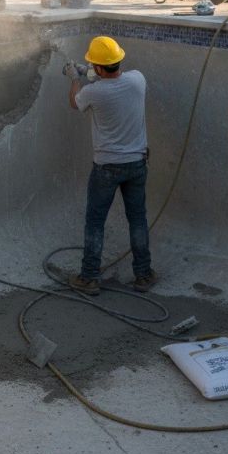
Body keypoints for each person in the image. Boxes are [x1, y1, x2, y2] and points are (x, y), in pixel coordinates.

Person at [64, 35, 156, 295]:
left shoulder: (94, 92)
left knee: (95, 222)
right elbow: (114, 80)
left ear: (101, 68)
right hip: (137, 164)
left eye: (94, 64)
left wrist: (75, 78)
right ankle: (144, 275)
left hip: (106, 167)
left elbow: (75, 102)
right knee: (137, 219)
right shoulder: (138, 80)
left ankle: (90, 278)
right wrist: (91, 73)